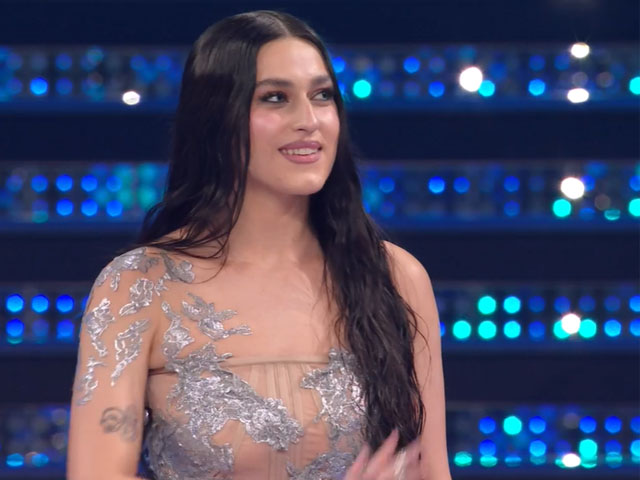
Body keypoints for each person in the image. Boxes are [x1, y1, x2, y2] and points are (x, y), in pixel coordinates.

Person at [66, 10, 452, 480]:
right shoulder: (138, 286)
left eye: (322, 96)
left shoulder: (395, 277)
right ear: (217, 118)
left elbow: (431, 469)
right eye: (275, 98)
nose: (308, 121)